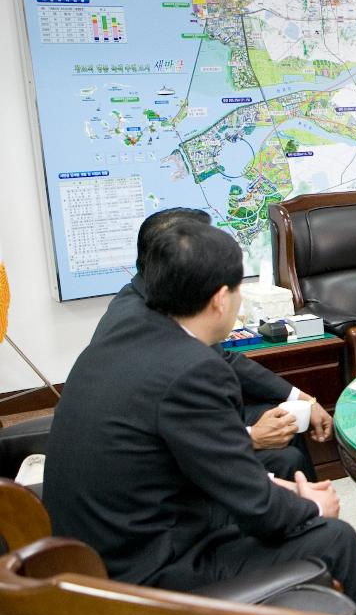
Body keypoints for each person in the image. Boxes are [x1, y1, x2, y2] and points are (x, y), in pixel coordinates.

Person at [44, 221, 356, 615]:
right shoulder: (193, 372)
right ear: (221, 299)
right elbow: (258, 510)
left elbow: (211, 468)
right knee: (333, 538)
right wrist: (311, 504)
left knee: (281, 477)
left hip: (98, 542)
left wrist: (285, 491)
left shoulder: (131, 329)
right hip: (141, 571)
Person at [94, 206, 331, 481]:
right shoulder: (141, 325)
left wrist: (299, 397)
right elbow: (173, 430)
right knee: (285, 458)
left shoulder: (158, 299)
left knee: (281, 418)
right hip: (155, 466)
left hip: (180, 433)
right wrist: (252, 437)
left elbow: (223, 358)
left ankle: (309, 512)